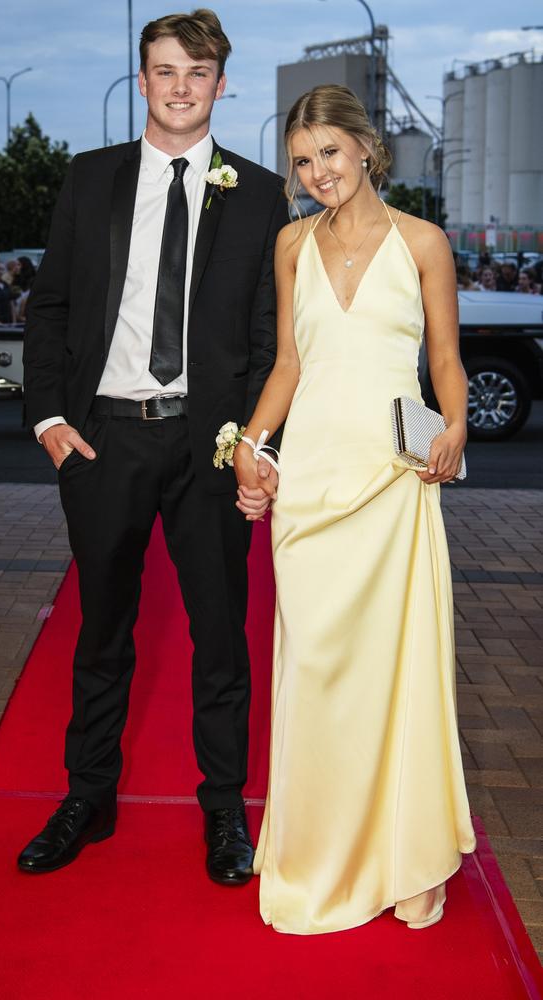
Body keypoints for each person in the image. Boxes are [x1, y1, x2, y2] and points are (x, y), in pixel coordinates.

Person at [19, 9, 287, 880]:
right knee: (102, 632)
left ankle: (224, 814)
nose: (181, 86)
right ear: (142, 81)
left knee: (221, 637)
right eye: (165, 70)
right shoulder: (90, 178)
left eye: (198, 72)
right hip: (104, 442)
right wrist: (52, 420)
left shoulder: (258, 192)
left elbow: (266, 332)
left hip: (210, 447)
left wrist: (255, 443)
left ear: (220, 84)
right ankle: (87, 797)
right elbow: (52, 305)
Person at [233, 84, 476, 934]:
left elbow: (445, 358)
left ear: (366, 148)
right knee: (316, 677)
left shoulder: (424, 243)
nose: (316, 172)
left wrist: (457, 425)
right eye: (302, 161)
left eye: (329, 152)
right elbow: (290, 366)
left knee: (394, 674)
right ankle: (313, 854)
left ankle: (405, 859)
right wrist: (253, 442)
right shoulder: (290, 245)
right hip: (312, 488)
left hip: (390, 483)